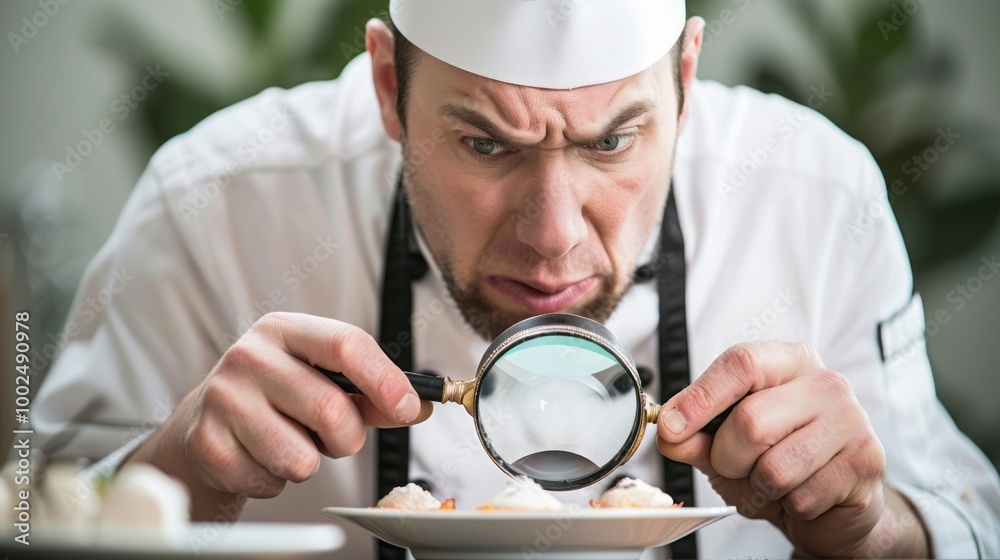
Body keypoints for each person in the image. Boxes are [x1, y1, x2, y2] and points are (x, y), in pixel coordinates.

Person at [29, 0, 1000, 558]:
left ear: (685, 80)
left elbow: (971, 522)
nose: (550, 239)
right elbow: (33, 518)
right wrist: (176, 471)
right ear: (387, 87)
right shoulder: (218, 201)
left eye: (613, 138)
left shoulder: (816, 195)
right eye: (485, 142)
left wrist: (872, 525)